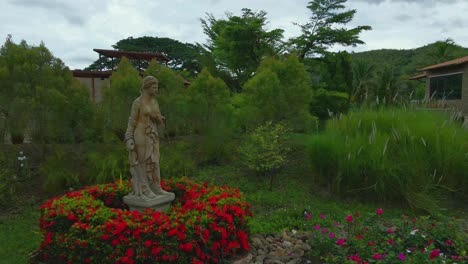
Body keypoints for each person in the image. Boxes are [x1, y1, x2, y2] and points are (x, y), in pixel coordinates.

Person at [125, 76, 169, 198]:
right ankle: (145, 189)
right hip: (141, 134)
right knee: (142, 162)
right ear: (147, 87)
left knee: (155, 160)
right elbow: (132, 121)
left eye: (157, 87)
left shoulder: (155, 102)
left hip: (153, 134)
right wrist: (129, 138)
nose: (156, 90)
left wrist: (158, 118)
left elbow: (159, 119)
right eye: (154, 87)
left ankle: (157, 187)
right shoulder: (137, 102)